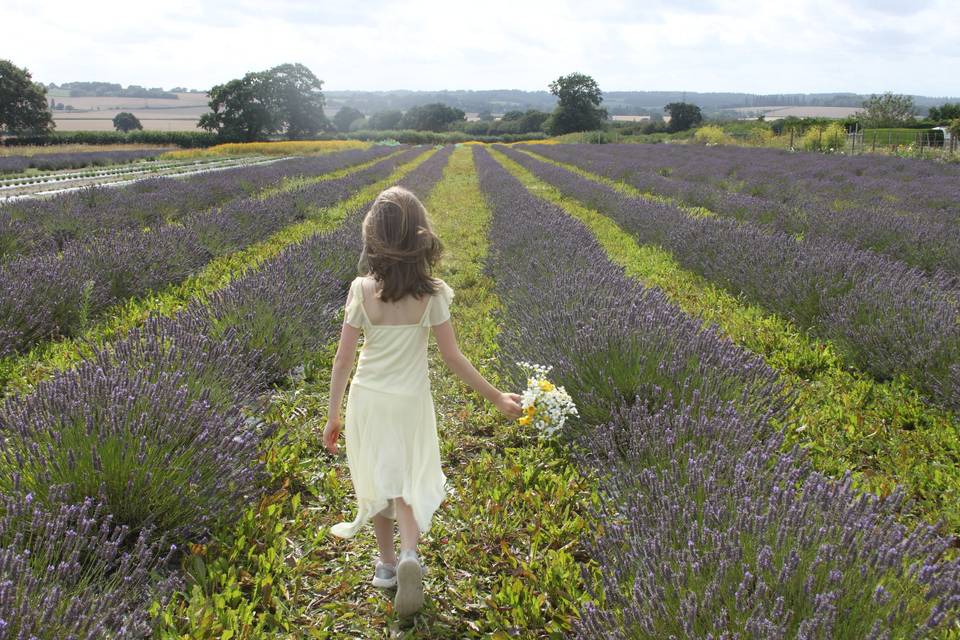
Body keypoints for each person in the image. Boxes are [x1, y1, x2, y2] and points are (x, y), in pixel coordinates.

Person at [323, 185, 522, 617]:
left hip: (368, 399)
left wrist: (333, 414)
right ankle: (411, 553)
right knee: (407, 480)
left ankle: (387, 566)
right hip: (411, 401)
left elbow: (343, 359)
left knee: (377, 479)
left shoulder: (361, 290)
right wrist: (496, 396)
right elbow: (453, 358)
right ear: (420, 236)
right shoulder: (432, 293)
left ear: (373, 236)